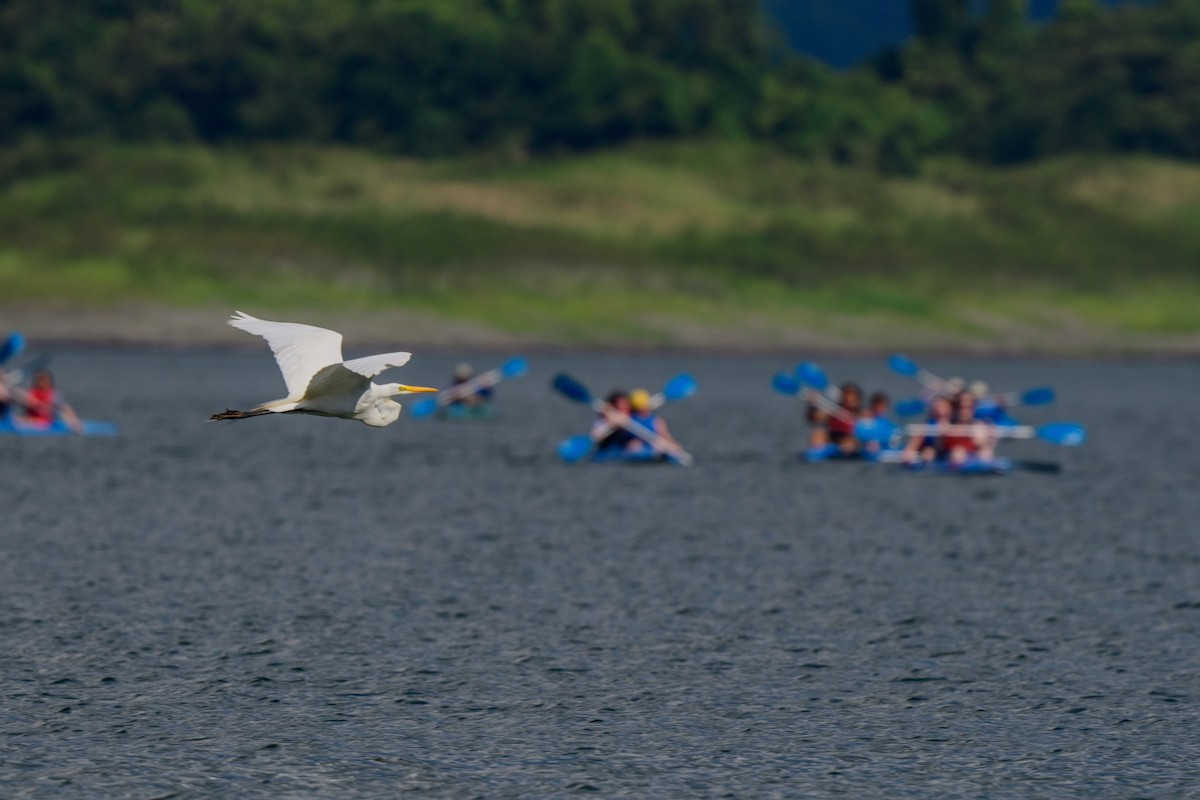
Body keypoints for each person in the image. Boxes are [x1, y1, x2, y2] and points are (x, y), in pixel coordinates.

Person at [808, 382, 864, 456]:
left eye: (853, 397)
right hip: (833, 437)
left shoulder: (861, 413)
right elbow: (815, 418)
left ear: (857, 399)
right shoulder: (834, 411)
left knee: (850, 439)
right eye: (847, 396)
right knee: (818, 433)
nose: (849, 399)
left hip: (852, 438)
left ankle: (849, 449)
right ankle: (816, 452)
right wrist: (813, 404)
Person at [627, 387, 680, 459]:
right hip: (637, 447)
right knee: (635, 445)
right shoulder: (629, 420)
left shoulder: (656, 421)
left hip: (654, 445)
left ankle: (659, 453)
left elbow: (666, 437)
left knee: (664, 447)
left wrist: (673, 445)